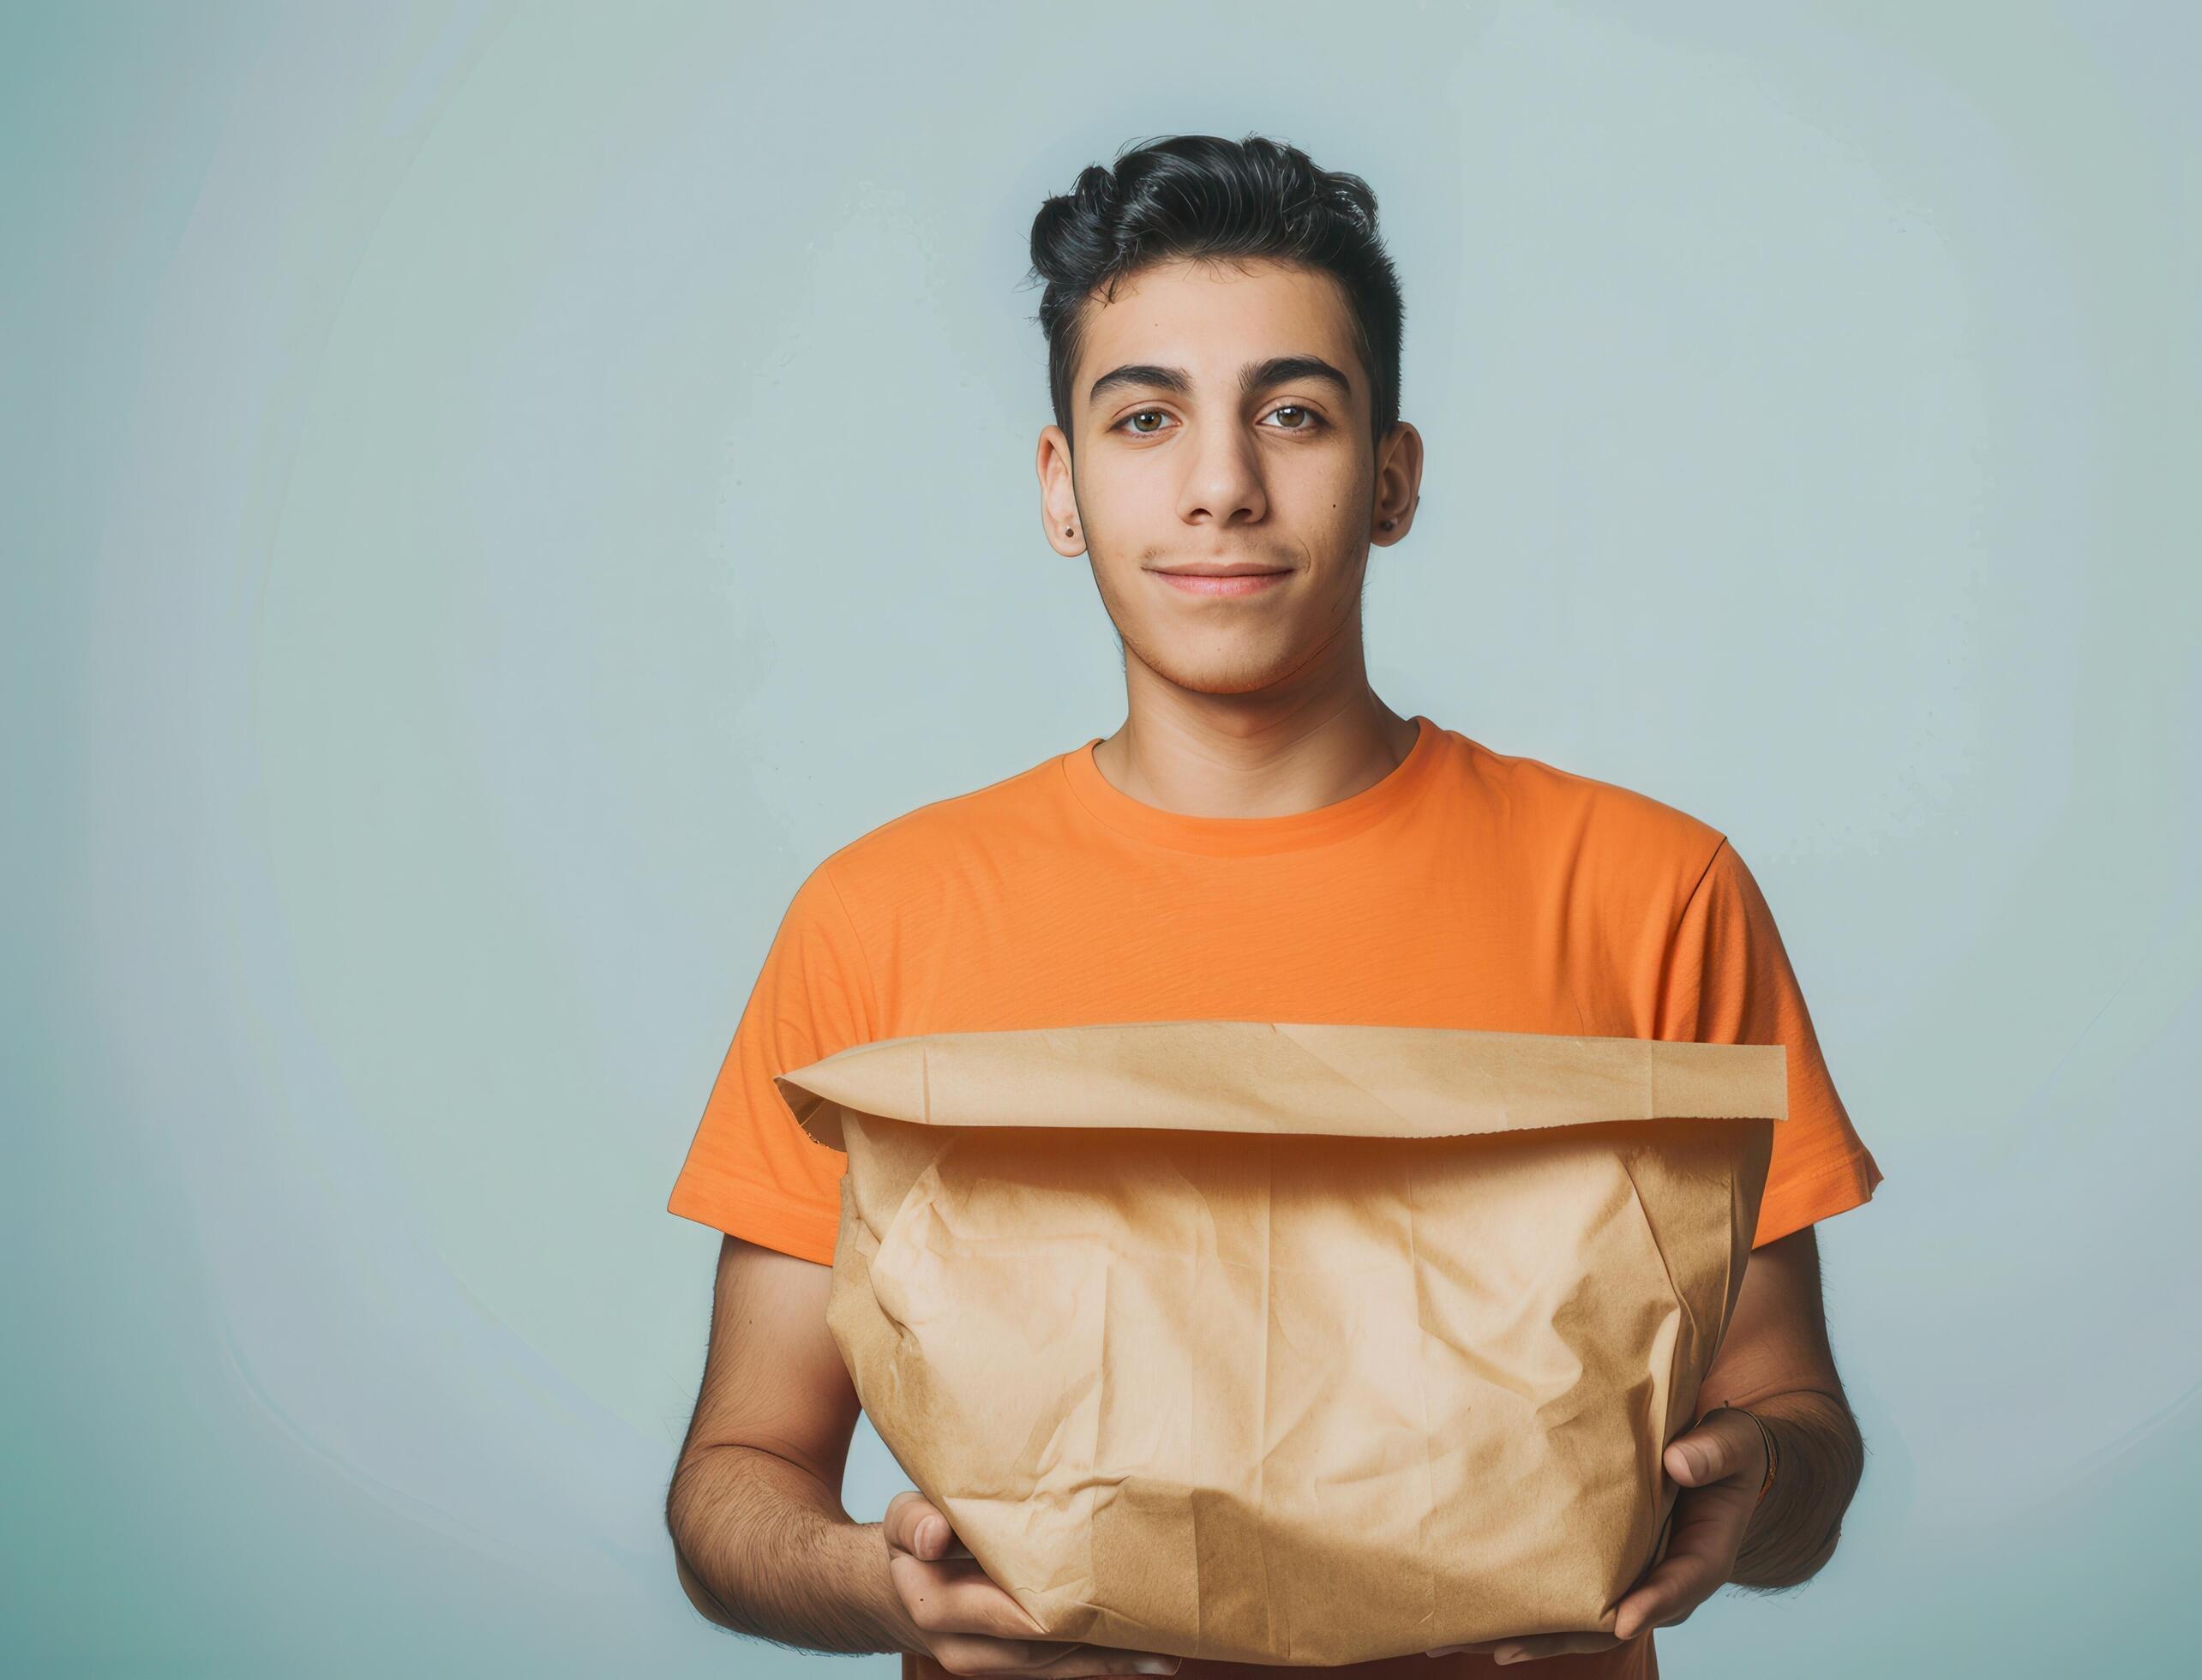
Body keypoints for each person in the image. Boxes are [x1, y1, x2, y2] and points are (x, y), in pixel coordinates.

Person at [663, 132, 1885, 1680]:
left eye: (1292, 414)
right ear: (1062, 484)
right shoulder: (877, 919)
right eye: (1147, 417)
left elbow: (1801, 1436)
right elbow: (734, 1482)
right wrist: (879, 1586)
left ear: (1392, 478)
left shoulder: (1654, 892)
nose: (1222, 485)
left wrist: (1754, 1490)